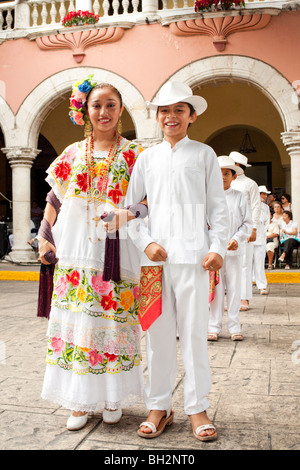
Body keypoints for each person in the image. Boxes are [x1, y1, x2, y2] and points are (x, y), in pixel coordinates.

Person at [40, 77, 146, 431]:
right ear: (85, 110)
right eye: (96, 105)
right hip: (75, 253)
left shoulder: (136, 155)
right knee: (80, 323)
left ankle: (113, 397)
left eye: (111, 105)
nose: (104, 112)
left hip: (118, 252)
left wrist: (128, 214)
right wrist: (44, 237)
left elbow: (149, 202)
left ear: (121, 110)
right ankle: (80, 402)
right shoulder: (71, 153)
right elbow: (54, 199)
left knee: (110, 321)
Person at [125, 81, 229, 442]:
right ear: (157, 117)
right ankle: (159, 406)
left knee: (196, 335)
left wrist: (216, 247)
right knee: (157, 335)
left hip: (196, 260)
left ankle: (197, 407)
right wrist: (146, 241)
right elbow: (133, 208)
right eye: (165, 110)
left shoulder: (204, 155)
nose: (171, 116)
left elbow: (218, 207)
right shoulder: (146, 158)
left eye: (179, 110)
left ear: (192, 116)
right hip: (155, 263)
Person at [208, 156, 252, 342]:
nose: (223, 177)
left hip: (233, 252)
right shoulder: (208, 198)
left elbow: (247, 223)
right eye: (219, 173)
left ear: (233, 177)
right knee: (216, 290)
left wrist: (237, 238)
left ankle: (234, 326)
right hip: (214, 253)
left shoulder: (239, 197)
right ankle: (213, 326)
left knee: (234, 289)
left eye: (227, 173)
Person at [230, 151, 261, 311]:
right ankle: (230, 299)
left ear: (236, 166)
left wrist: (254, 228)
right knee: (228, 265)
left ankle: (244, 298)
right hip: (228, 228)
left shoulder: (250, 184)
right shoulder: (225, 182)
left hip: (246, 227)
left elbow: (256, 207)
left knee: (245, 264)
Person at [253, 185, 270, 295]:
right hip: (249, 237)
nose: (264, 196)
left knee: (259, 262)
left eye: (265, 194)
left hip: (261, 237)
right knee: (246, 264)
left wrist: (263, 234)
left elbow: (267, 222)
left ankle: (262, 285)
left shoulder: (266, 207)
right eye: (262, 194)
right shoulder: (250, 205)